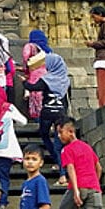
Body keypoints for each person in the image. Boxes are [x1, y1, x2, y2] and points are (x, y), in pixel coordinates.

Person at [22, 52, 71, 186]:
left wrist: (24, 82)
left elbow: (33, 87)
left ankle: (58, 163)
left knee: (44, 134)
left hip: (47, 113)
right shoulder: (66, 80)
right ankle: (62, 172)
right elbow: (67, 99)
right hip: (60, 114)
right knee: (59, 144)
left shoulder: (46, 79)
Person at [57, 118, 103, 209]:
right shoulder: (87, 147)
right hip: (95, 189)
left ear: (71, 132)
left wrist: (76, 190)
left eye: (61, 132)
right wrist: (95, 184)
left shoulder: (67, 150)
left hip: (79, 186)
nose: (59, 136)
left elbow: (71, 169)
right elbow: (99, 168)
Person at [85, 6, 105, 107]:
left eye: (94, 16)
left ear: (100, 15)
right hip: (103, 59)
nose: (93, 19)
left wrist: (93, 44)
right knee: (103, 86)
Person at [22, 30, 52, 121]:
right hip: (46, 77)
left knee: (35, 99)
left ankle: (38, 119)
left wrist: (25, 71)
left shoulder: (29, 46)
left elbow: (26, 60)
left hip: (34, 76)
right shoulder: (47, 50)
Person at [20, 144, 52, 209]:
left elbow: (45, 206)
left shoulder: (40, 181)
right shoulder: (25, 183)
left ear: (41, 163)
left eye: (34, 159)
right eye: (27, 158)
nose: (30, 162)